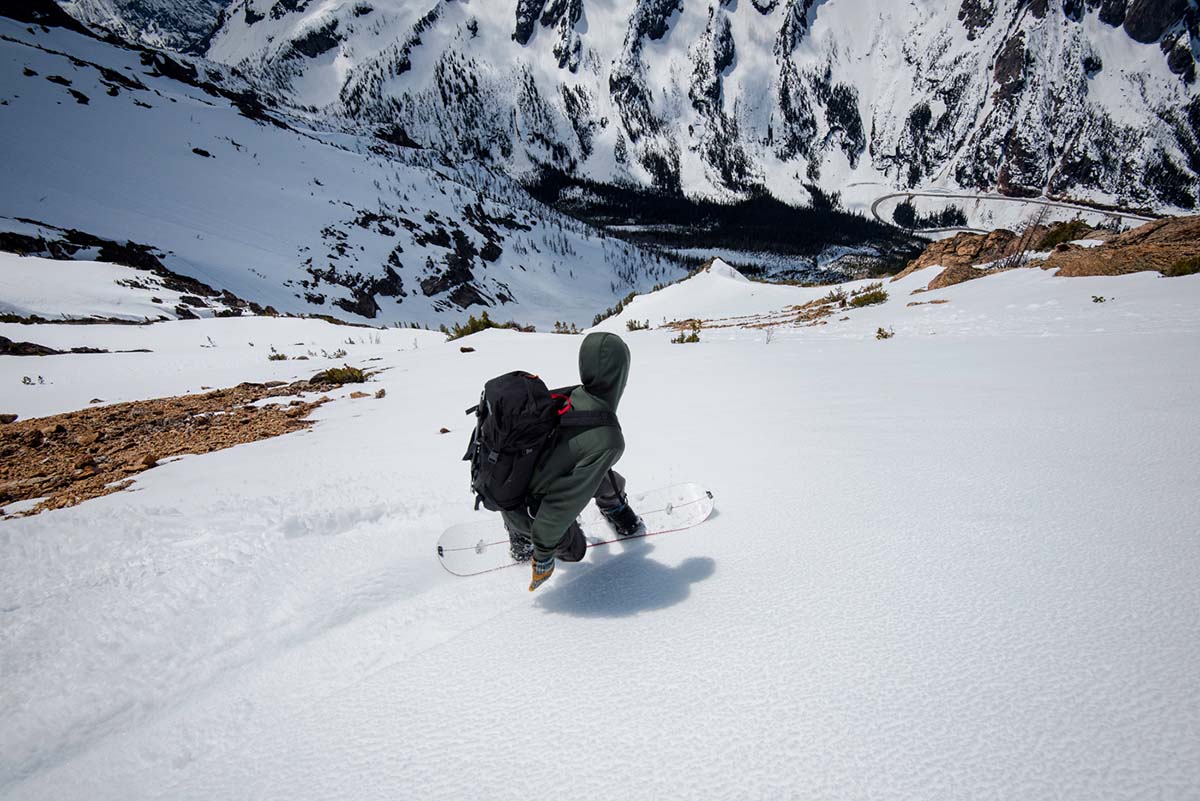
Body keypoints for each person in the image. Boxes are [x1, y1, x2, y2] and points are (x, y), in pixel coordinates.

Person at [503, 331, 643, 592]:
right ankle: (521, 534)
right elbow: (560, 505)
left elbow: (581, 455)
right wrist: (543, 556)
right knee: (575, 550)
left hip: (517, 477)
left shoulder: (573, 396)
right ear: (619, 374)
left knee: (605, 475)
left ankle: (612, 506)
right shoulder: (608, 439)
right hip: (527, 507)